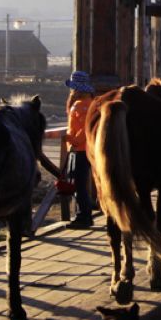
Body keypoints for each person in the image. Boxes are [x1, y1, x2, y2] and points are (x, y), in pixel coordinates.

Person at [64, 70, 96, 229]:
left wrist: (71, 140)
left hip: (80, 148)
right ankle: (83, 213)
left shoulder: (82, 105)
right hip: (82, 148)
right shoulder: (88, 104)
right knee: (78, 182)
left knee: (79, 184)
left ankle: (83, 215)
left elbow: (83, 128)